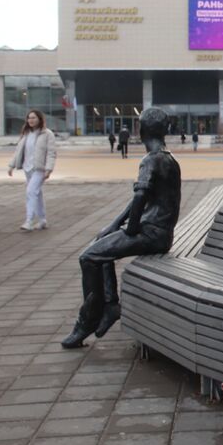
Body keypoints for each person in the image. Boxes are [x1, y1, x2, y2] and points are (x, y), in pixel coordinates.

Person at [63, 107, 181, 348]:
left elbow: (140, 198)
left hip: (152, 234)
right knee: (101, 241)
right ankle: (110, 305)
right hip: (159, 232)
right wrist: (115, 224)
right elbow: (142, 197)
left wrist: (131, 228)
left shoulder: (151, 159)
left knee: (89, 257)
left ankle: (87, 320)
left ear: (142, 129)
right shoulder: (167, 158)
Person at [7, 109, 57, 231]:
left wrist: (49, 169)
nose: (31, 120)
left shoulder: (47, 134)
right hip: (27, 168)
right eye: (29, 118)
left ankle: (29, 221)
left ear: (40, 119)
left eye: (34, 118)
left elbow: (51, 153)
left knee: (30, 192)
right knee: (36, 193)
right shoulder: (26, 133)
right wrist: (11, 165)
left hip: (39, 168)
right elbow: (18, 151)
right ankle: (42, 220)